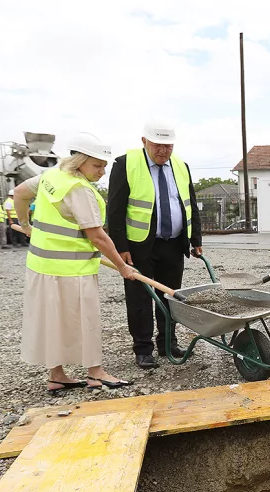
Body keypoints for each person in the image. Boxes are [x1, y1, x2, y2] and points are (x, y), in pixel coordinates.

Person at [13, 132, 137, 394]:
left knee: (53, 320)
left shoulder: (53, 176)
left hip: (41, 267)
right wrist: (123, 267)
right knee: (86, 320)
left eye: (104, 165)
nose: (102, 171)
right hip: (72, 271)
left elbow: (20, 192)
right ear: (79, 161)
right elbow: (98, 236)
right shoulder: (79, 189)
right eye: (97, 165)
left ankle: (56, 375)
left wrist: (26, 225)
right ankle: (96, 374)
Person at [108, 119, 204, 369]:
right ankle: (143, 349)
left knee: (170, 296)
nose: (163, 151)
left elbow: (190, 204)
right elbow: (115, 209)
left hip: (173, 244)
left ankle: (168, 343)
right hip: (139, 247)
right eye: (158, 146)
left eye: (168, 146)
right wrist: (121, 247)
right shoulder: (125, 164)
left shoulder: (181, 166)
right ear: (144, 141)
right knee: (140, 298)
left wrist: (196, 240)